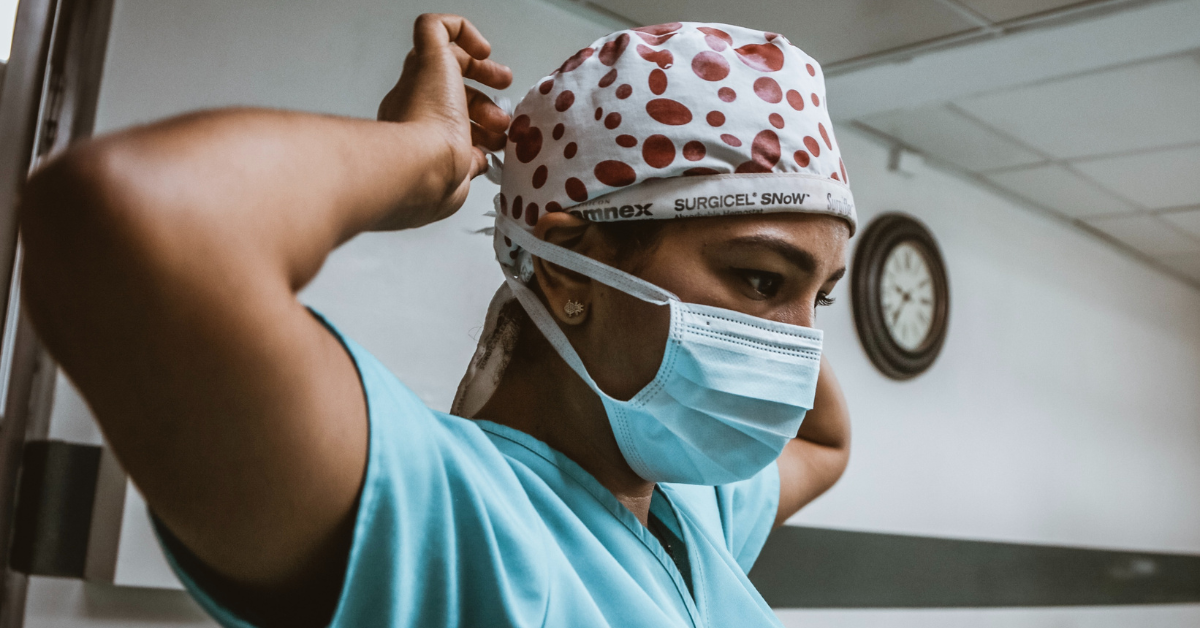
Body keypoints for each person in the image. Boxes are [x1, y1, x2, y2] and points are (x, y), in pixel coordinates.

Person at [18, 14, 853, 628]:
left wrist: (786, 278)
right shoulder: (446, 524)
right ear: (567, 270)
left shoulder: (685, 514)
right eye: (759, 278)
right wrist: (429, 155)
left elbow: (825, 443)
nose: (796, 339)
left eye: (820, 299)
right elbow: (133, 220)